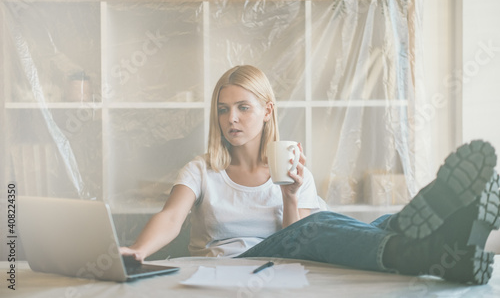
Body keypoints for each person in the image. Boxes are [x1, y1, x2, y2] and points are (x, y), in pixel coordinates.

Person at [121, 65, 500, 285]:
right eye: (222, 109)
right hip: (229, 268)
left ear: (267, 110)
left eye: (242, 107)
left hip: (280, 266)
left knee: (363, 223)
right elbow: (171, 217)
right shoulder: (202, 169)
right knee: (317, 225)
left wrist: (290, 196)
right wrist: (138, 251)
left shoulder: (293, 166)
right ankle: (433, 232)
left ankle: (452, 240)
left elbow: (299, 242)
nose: (231, 118)